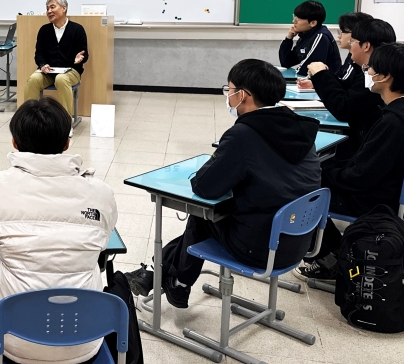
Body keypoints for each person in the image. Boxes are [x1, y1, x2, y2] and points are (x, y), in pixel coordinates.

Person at [125, 59, 321, 308]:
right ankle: (159, 273)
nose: (227, 96)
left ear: (244, 96)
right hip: (299, 241)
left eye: (230, 90)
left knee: (204, 214)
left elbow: (204, 186)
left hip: (261, 248)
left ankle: (176, 281)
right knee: (217, 213)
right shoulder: (300, 129)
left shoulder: (243, 135)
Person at [0, 97, 117, 364]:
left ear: (14, 142)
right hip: (85, 341)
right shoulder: (101, 193)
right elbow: (101, 243)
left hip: (15, 342)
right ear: (67, 143)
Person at [296, 43, 404, 281]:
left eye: (371, 68)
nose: (367, 73)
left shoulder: (394, 123)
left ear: (386, 77)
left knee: (301, 186)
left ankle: (329, 259)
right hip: (400, 196)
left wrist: (316, 172)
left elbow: (357, 179)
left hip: (378, 202)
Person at [300, 19, 396, 157]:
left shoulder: (375, 78)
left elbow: (343, 108)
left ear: (366, 46)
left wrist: (321, 75)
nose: (350, 47)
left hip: (361, 150)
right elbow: (349, 90)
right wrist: (323, 78)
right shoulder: (368, 70)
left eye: (352, 42)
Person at [23, 0, 88, 121]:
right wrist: (42, 64)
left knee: (61, 79)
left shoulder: (77, 29)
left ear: (64, 8)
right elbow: (39, 54)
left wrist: (81, 58)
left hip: (71, 71)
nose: (49, 11)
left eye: (52, 7)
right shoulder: (44, 30)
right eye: (47, 8)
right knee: (33, 79)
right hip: (48, 71)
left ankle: (65, 122)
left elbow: (84, 54)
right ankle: (28, 120)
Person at [278, 0, 341, 76]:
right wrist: (289, 38)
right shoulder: (305, 35)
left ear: (313, 23)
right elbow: (286, 62)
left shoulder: (321, 37)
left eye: (298, 19)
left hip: (327, 84)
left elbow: (307, 69)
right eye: (295, 17)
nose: (294, 21)